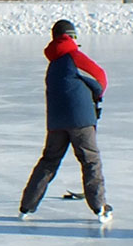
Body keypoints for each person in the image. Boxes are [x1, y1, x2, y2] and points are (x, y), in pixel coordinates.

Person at [19, 19, 112, 223]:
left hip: (56, 123)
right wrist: (96, 96)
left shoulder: (53, 64)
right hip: (81, 121)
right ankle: (99, 207)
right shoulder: (74, 57)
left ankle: (27, 205)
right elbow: (100, 78)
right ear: (71, 37)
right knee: (90, 161)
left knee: (49, 162)